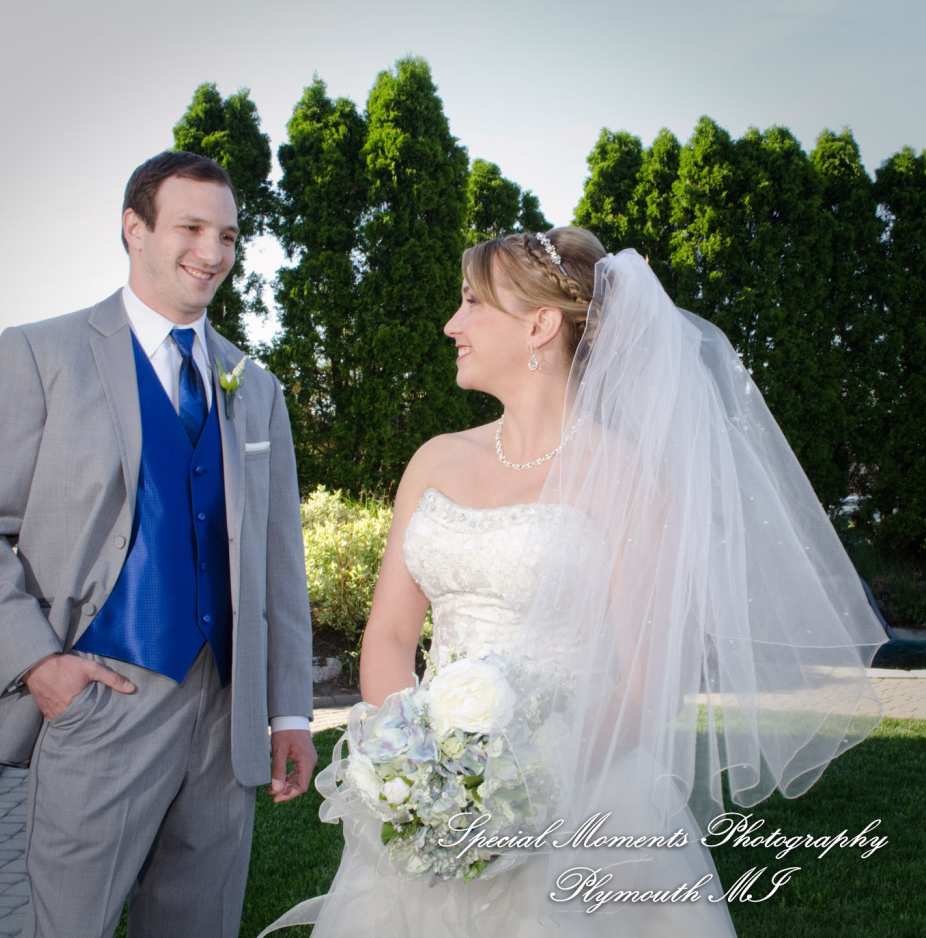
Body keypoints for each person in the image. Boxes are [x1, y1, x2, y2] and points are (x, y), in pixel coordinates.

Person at [268, 228, 885, 936]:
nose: (452, 324)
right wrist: (421, 772)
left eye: (473, 302)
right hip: (427, 807)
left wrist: (514, 790)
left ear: (539, 325)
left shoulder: (627, 476)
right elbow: (388, 634)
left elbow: (649, 681)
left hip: (583, 802)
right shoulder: (433, 460)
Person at [0, 151, 317, 938]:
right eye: (191, 228)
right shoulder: (42, 354)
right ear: (134, 228)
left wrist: (290, 713)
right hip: (100, 696)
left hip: (225, 712)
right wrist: (40, 666)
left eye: (228, 236)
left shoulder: (256, 387)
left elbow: (280, 566)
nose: (212, 252)